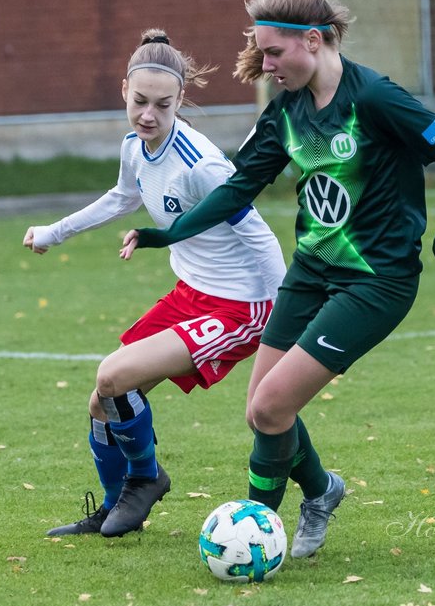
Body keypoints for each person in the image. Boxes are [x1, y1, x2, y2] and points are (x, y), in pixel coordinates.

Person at [122, 0, 435, 558]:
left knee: (271, 407)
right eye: (261, 52)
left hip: (375, 283)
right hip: (310, 274)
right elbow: (238, 189)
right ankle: (320, 491)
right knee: (261, 410)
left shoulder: (375, 99)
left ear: (312, 41)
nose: (264, 65)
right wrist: (166, 233)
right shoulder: (288, 112)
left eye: (273, 53)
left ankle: (253, 535)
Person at [24, 29, 288, 538]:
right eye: (140, 101)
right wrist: (54, 233)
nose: (148, 115)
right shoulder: (134, 145)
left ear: (180, 100)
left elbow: (260, 237)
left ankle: (146, 478)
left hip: (240, 306)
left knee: (112, 376)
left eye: (163, 106)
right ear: (124, 89)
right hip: (189, 295)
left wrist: (285, 312)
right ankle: (113, 505)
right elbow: (121, 197)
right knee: (102, 402)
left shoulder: (201, 165)